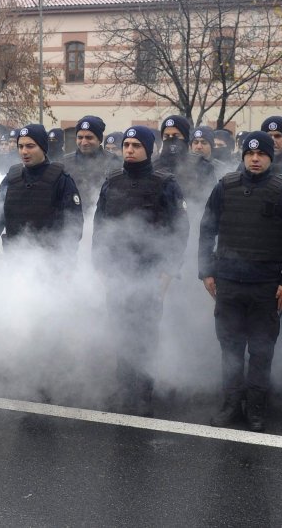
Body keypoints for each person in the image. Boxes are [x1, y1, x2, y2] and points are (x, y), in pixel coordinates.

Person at [199, 131, 282, 432]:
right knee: (230, 348)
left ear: (271, 157)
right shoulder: (225, 186)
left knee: (261, 350)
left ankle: (257, 407)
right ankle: (231, 403)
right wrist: (206, 270)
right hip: (229, 283)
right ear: (243, 156)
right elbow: (207, 229)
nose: (255, 159)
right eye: (250, 154)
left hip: (265, 285)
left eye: (261, 154)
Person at [92, 125, 189, 417]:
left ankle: (144, 389)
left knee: (145, 332)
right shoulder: (112, 181)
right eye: (126, 145)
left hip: (150, 271)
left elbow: (179, 229)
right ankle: (124, 386)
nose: (130, 150)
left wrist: (169, 270)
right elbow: (99, 224)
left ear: (149, 149)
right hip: (118, 270)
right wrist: (99, 263)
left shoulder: (165, 182)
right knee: (121, 329)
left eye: (136, 145)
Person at [0, 123, 83, 259]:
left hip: (50, 262)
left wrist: (66, 260)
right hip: (14, 259)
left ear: (42, 147)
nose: (24, 151)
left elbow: (74, 225)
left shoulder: (61, 180)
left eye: (30, 146)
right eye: (21, 146)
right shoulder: (11, 178)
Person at [61, 116, 118, 212]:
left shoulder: (114, 162)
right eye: (80, 137)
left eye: (89, 137)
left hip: (105, 221)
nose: (84, 142)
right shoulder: (65, 163)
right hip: (72, 220)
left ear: (99, 140)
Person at [155, 115, 216, 203]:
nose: (171, 139)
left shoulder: (202, 167)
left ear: (186, 138)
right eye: (167, 136)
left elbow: (211, 202)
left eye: (176, 136)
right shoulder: (154, 166)